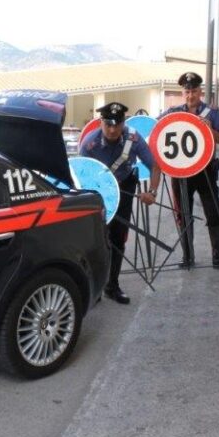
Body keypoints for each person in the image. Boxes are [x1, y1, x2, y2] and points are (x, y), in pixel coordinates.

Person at [80, 102, 161, 304]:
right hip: (97, 193)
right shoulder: (89, 145)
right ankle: (93, 287)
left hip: (124, 189)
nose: (113, 129)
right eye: (108, 124)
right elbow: (80, 176)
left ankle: (112, 286)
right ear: (101, 123)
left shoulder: (133, 138)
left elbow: (154, 166)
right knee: (96, 240)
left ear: (124, 122)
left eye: (117, 124)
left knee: (118, 238)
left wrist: (151, 192)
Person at [160, 72, 219, 271]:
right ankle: (188, 257)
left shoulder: (211, 113)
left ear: (200, 92)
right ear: (182, 92)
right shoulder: (172, 113)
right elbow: (156, 131)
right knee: (183, 214)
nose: (190, 95)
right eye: (187, 91)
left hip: (205, 171)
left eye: (194, 91)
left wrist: (210, 131)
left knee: (214, 213)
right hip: (181, 173)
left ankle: (218, 257)